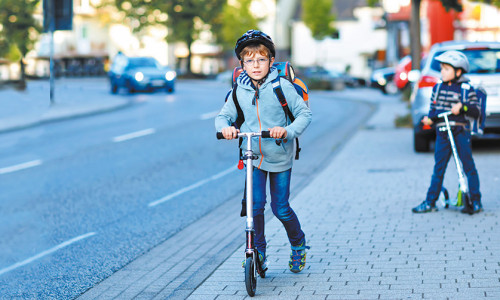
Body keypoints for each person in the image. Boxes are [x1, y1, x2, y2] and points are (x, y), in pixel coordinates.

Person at [215, 30, 312, 273]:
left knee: (280, 208)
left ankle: (298, 244)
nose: (256, 65)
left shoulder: (281, 86)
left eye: (261, 59)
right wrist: (225, 128)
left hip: (279, 154)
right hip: (253, 155)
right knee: (255, 207)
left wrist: (287, 131)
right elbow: (223, 116)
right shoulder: (239, 90)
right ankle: (258, 251)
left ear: (270, 61)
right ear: (242, 64)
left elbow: (304, 114)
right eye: (250, 60)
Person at [412, 50, 482, 215]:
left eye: (446, 69)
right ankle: (430, 201)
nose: (442, 72)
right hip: (443, 132)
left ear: (458, 72)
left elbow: (476, 111)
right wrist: (430, 119)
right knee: (439, 168)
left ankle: (476, 200)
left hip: (460, 131)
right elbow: (433, 112)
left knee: (468, 166)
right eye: (442, 68)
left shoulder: (466, 89)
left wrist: (463, 107)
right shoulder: (437, 89)